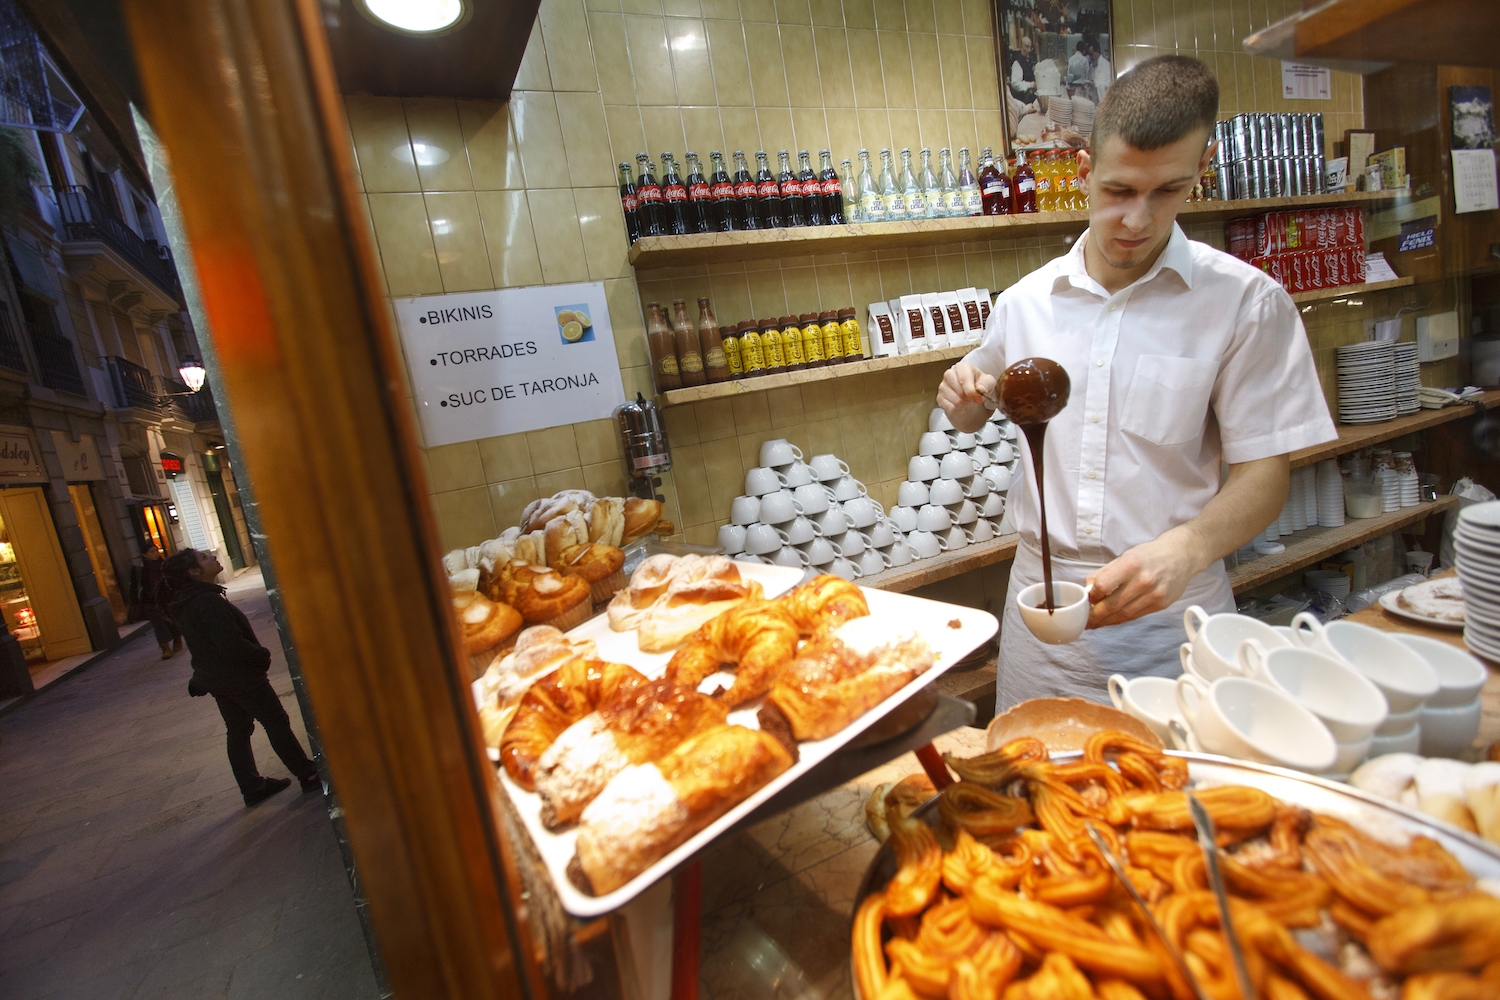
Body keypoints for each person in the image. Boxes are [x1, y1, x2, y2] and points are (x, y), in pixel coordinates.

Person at [937, 56, 1336, 711]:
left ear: (1196, 179)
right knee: (1028, 788)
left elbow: (1266, 474)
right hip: (1044, 610)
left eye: (1166, 192)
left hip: (1172, 614)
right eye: (1119, 191)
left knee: (1174, 800)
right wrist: (961, 397)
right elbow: (975, 410)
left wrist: (1188, 549)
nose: (1137, 220)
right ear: (1086, 172)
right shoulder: (1025, 303)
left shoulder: (1244, 303)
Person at [159, 548, 321, 806]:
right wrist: (260, 654)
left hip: (220, 679)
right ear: (194, 572)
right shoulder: (205, 601)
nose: (212, 556)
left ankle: (252, 786)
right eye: (204, 558)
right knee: (275, 721)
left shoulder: (192, 601)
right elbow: (230, 644)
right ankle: (308, 774)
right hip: (239, 677)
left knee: (238, 728)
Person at [134, 546, 182, 660]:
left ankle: (177, 639)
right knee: (159, 624)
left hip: (166, 598)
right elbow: (136, 587)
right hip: (150, 601)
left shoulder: (164, 565)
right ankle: (165, 648)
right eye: (151, 552)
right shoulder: (141, 569)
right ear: (144, 554)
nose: (155, 553)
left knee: (170, 620)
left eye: (156, 551)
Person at [1009, 33, 1037, 104]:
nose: (1029, 50)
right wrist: (1030, 85)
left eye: (1030, 47)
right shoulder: (1017, 62)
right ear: (1021, 46)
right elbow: (1015, 84)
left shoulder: (1031, 60)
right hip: (1023, 101)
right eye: (1026, 47)